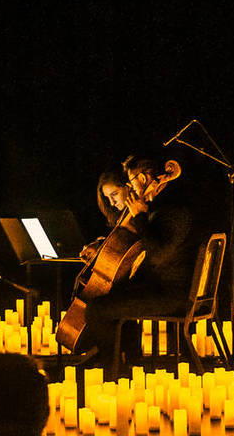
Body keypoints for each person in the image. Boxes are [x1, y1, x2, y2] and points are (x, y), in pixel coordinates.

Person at [77, 155, 204, 371]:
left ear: (144, 179)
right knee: (114, 296)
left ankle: (112, 366)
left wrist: (140, 217)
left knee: (97, 309)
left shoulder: (173, 211)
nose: (131, 189)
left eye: (131, 182)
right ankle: (128, 359)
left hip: (173, 295)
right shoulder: (161, 208)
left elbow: (157, 254)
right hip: (164, 288)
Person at [80, 169, 131, 263]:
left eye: (115, 194)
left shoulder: (138, 213)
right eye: (108, 197)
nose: (112, 203)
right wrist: (100, 244)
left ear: (128, 187)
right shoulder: (122, 216)